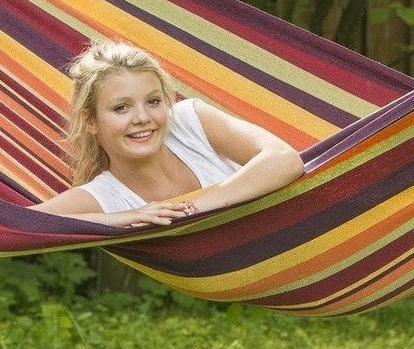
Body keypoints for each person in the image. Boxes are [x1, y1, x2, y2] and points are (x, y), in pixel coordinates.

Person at [31, 38, 304, 227]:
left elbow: (284, 158)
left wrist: (199, 206)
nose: (142, 118)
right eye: (121, 108)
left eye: (153, 101)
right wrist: (117, 218)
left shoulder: (188, 121)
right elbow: (12, 225)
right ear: (90, 120)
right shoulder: (103, 197)